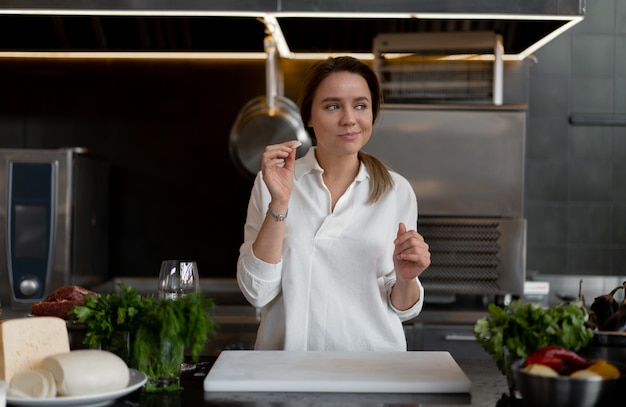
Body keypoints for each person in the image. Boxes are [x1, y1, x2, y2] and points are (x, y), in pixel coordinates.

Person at [236, 56, 431, 351]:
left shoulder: (396, 190)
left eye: (360, 105)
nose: (349, 119)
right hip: (287, 371)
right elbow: (257, 292)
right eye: (333, 106)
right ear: (310, 116)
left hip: (373, 370)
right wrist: (280, 202)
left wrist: (406, 280)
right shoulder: (273, 183)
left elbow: (403, 309)